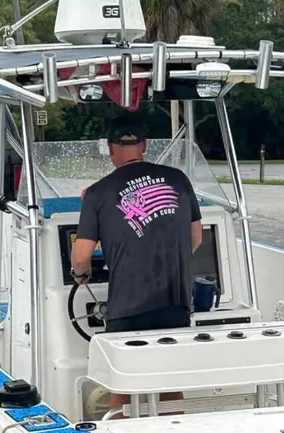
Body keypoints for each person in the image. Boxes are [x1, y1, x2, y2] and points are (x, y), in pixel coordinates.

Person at [72, 116, 203, 413]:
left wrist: (82, 274)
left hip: (128, 305)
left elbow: (81, 255)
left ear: (110, 149)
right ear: (143, 146)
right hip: (176, 301)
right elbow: (195, 238)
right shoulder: (178, 179)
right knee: (168, 384)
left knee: (124, 389)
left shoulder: (97, 193)